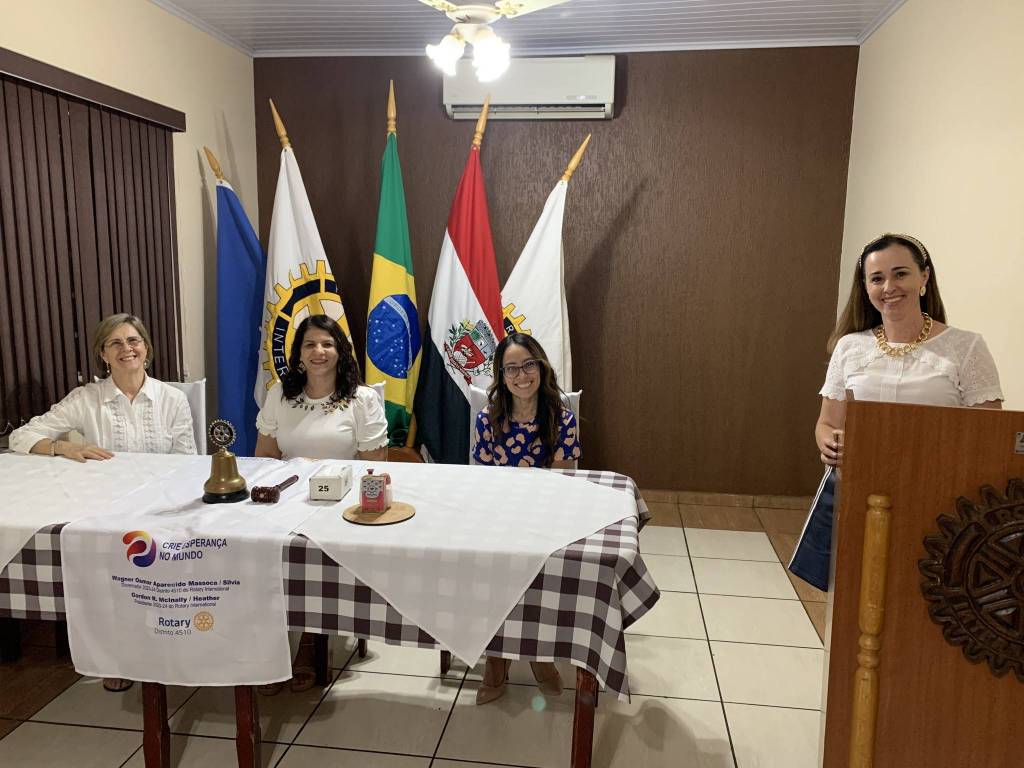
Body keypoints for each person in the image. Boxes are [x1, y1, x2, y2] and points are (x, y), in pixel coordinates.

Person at [790, 233, 1003, 590]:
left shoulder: (965, 347)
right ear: (866, 288)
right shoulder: (850, 347)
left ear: (924, 277)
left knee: (919, 594)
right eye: (877, 278)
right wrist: (828, 443)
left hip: (939, 496)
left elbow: (988, 434)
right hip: (860, 492)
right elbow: (827, 423)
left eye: (900, 273)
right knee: (853, 592)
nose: (889, 287)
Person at [9, 312, 197, 692]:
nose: (127, 349)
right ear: (103, 354)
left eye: (133, 341)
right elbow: (21, 437)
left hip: (161, 507)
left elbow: (187, 462)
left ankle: (167, 642)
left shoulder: (172, 399)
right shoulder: (86, 399)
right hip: (106, 510)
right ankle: (119, 655)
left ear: (146, 348)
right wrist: (63, 447)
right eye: (116, 343)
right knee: (111, 571)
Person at [255, 314, 388, 694]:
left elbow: (373, 467)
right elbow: (264, 458)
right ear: (298, 353)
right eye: (310, 344)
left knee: (310, 553)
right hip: (288, 498)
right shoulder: (280, 395)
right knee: (260, 552)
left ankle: (311, 640)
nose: (319, 351)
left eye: (327, 344)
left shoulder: (361, 399)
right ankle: (269, 646)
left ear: (340, 351)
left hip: (341, 504)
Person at [471, 332, 582, 704]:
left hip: (545, 518)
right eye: (512, 368)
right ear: (501, 376)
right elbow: (483, 480)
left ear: (541, 367)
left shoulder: (562, 419)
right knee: (490, 569)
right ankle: (496, 656)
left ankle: (539, 654)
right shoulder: (488, 419)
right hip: (497, 516)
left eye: (528, 365)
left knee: (538, 571)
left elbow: (561, 484)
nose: (521, 375)